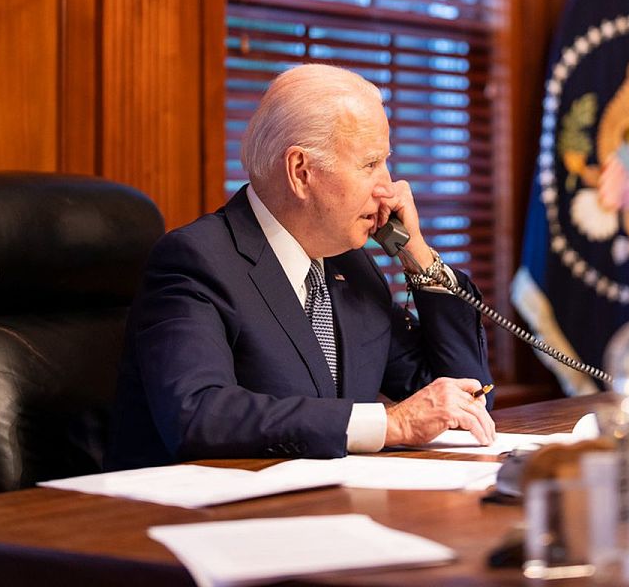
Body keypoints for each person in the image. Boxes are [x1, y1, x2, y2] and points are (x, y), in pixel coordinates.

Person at [106, 64, 495, 467]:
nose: (390, 188)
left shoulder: (353, 267)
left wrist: (418, 256)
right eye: (369, 164)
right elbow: (198, 414)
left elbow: (465, 401)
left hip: (324, 510)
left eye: (386, 162)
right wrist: (390, 424)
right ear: (300, 172)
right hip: (188, 518)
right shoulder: (196, 260)